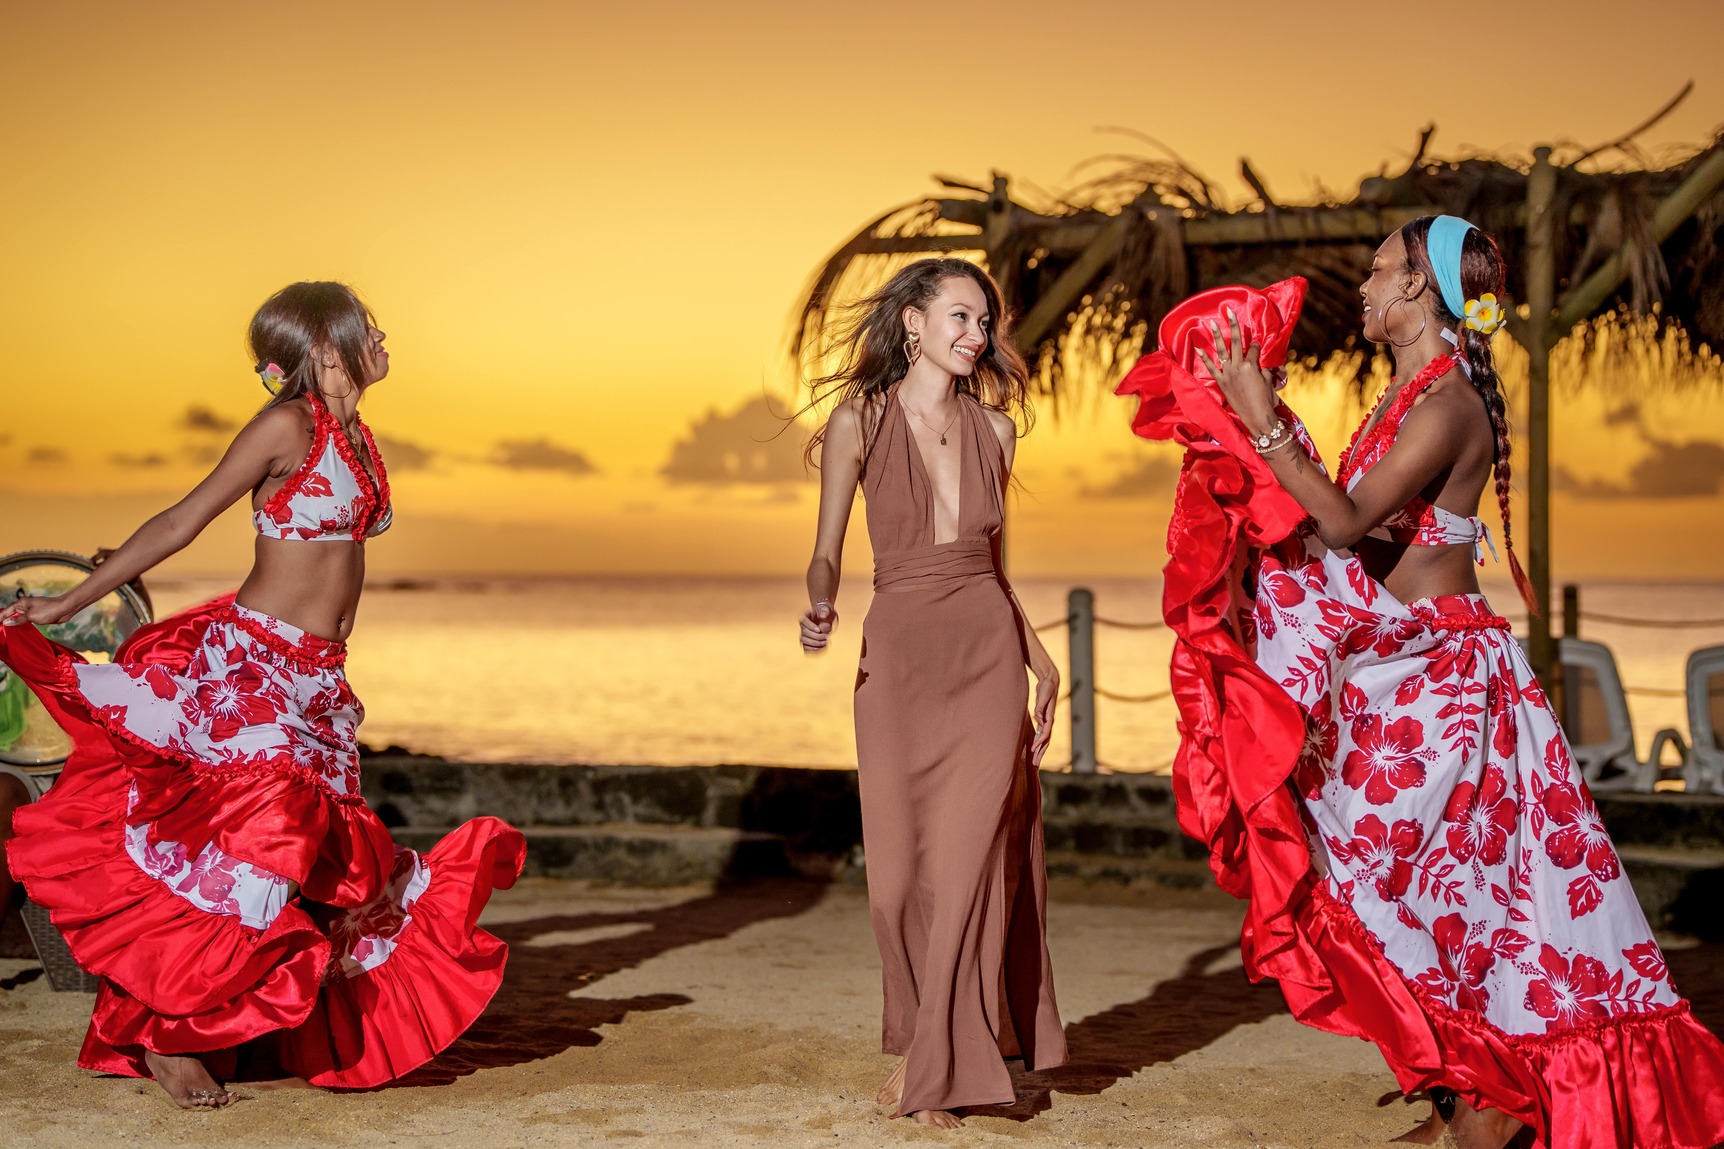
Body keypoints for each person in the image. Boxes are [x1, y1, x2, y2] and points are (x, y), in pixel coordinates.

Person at [1116, 219, 1724, 1149]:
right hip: (1395, 676)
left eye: (1377, 271)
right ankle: (1462, 1092)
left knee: (1424, 889)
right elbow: (1334, 531)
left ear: (1416, 288)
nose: (1362, 287)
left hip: (1446, 688)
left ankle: (1490, 1099)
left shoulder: (1447, 406)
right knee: (1398, 887)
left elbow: (1345, 519)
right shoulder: (1399, 398)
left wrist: (1264, 417)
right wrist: (1243, 433)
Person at [1, 282, 525, 1108]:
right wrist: (69, 603)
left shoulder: (357, 435)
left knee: (305, 862)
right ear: (324, 347)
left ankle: (228, 1021)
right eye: (368, 328)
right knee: (259, 848)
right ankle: (162, 1035)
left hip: (319, 680)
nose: (384, 338)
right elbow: (181, 520)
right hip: (254, 670)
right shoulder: (286, 427)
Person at [798, 257, 1067, 1127]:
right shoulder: (859, 420)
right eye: (959, 316)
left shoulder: (998, 430)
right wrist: (821, 601)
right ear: (912, 322)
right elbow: (827, 550)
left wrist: (1039, 656)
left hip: (987, 655)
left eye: (984, 322)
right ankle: (925, 1039)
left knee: (967, 865)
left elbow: (995, 568)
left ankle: (937, 1065)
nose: (976, 335)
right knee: (896, 880)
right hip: (900, 659)